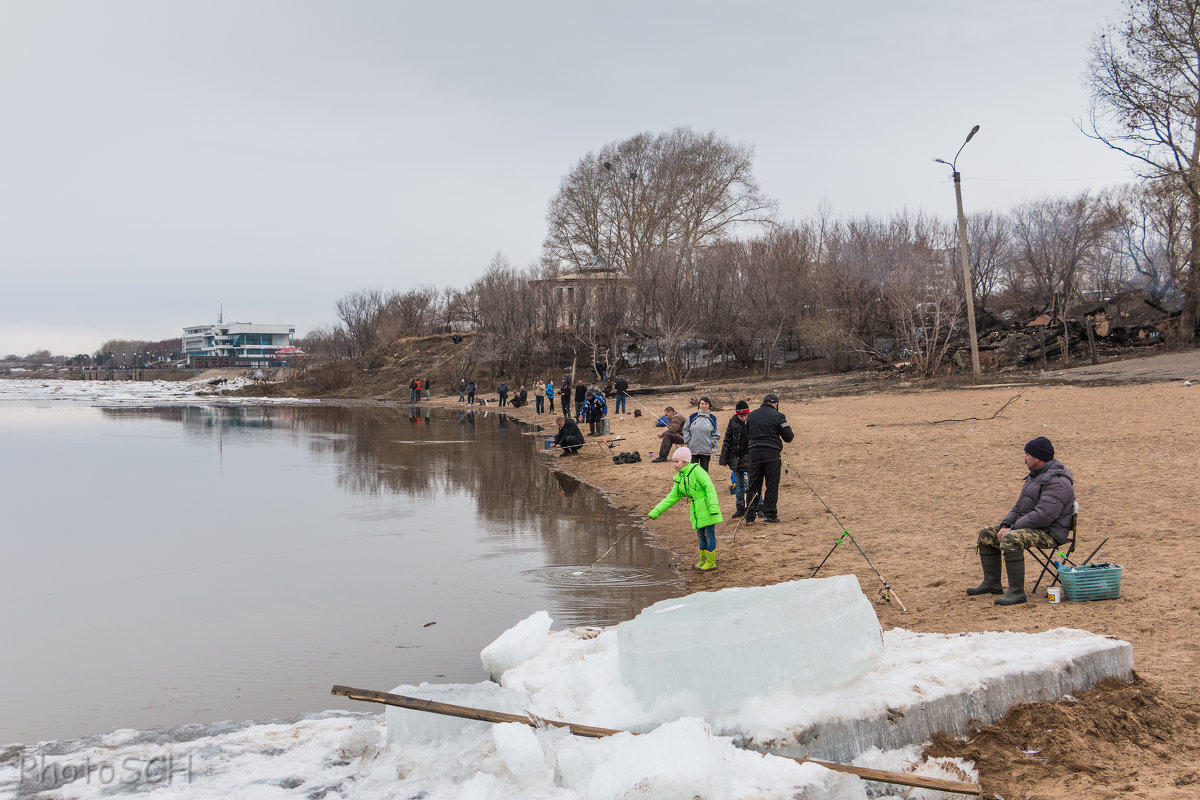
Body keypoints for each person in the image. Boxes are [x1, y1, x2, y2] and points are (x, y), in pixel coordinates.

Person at [968, 437, 1076, 606]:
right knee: (987, 534)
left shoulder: (1058, 481)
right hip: (1034, 527)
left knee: (1011, 538)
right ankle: (992, 583)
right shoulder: (1036, 476)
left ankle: (1017, 592)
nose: (1024, 458)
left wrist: (1013, 529)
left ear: (1037, 458)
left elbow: (1043, 515)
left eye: (1027, 454)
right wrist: (1005, 525)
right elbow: (1018, 507)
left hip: (1050, 532)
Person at [647, 446, 724, 571]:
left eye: (676, 462)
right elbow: (671, 498)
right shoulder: (680, 478)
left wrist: (713, 507)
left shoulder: (697, 471)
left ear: (685, 461)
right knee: (701, 536)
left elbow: (710, 488)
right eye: (673, 462)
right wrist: (655, 512)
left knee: (709, 535)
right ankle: (702, 560)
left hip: (707, 508)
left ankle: (711, 562)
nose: (674, 465)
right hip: (696, 511)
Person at [742, 393, 794, 525]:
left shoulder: (751, 415)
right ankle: (770, 514)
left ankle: (750, 515)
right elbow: (788, 437)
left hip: (754, 453)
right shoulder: (779, 416)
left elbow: (746, 434)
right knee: (771, 484)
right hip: (772, 454)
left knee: (754, 484)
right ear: (775, 404)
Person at [718, 400, 752, 518]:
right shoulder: (732, 421)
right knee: (739, 485)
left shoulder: (752, 421)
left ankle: (756, 506)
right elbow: (727, 440)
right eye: (741, 416)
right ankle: (740, 508)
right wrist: (724, 458)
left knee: (753, 484)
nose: (743, 418)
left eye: (745, 415)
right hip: (736, 459)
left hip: (750, 459)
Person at [682, 396, 720, 472]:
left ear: (709, 405)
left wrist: (711, 444)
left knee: (704, 471)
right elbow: (685, 429)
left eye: (706, 404)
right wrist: (688, 440)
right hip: (693, 449)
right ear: (699, 405)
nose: (704, 406)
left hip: (706, 451)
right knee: (692, 471)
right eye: (702, 404)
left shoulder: (713, 419)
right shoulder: (692, 417)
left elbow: (716, 434)